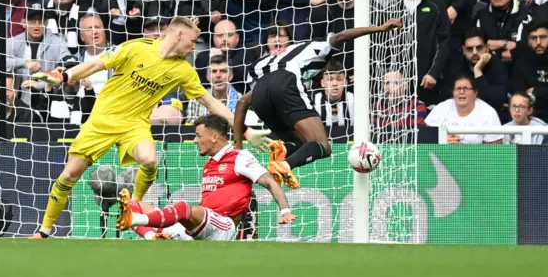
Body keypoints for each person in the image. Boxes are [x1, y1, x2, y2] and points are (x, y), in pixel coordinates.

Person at [28, 17, 236, 239]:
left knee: (149, 161)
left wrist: (243, 128)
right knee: (69, 175)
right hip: (103, 119)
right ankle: (44, 230)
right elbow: (95, 64)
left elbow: (211, 102)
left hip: (135, 124)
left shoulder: (183, 70)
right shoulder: (136, 47)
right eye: (193, 40)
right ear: (179, 35)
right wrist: (64, 75)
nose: (195, 46)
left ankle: (132, 207)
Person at [233, 19, 402, 188]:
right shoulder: (312, 47)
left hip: (261, 95)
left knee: (305, 144)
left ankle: (283, 151)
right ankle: (284, 166)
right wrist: (379, 28)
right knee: (323, 146)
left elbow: (242, 103)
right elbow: (342, 36)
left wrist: (238, 148)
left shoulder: (260, 64)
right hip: (286, 82)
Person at [116, 115, 296, 240]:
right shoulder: (210, 163)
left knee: (183, 209)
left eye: (198, 136)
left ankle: (133, 220)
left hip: (222, 226)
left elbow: (270, 182)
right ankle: (151, 236)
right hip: (201, 227)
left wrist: (285, 211)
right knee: (133, 203)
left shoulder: (240, 157)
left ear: (214, 136)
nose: (195, 140)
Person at [425, 75, 504, 144]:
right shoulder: (442, 108)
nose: (461, 92)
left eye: (466, 88)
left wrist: (464, 149)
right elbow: (426, 137)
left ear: (475, 92)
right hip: (440, 156)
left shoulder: (488, 113)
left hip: (474, 160)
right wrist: (441, 141)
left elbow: (494, 152)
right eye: (458, 88)